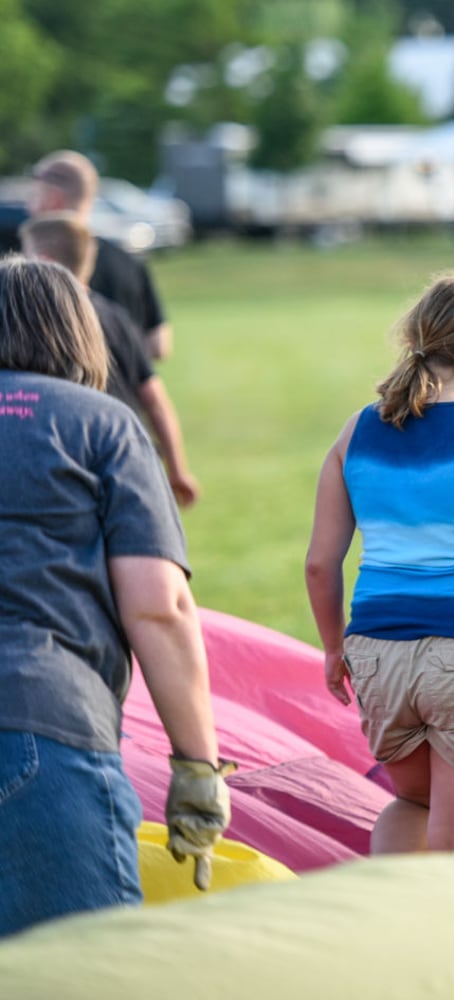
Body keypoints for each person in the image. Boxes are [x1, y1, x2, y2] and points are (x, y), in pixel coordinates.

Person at [0, 256, 228, 935]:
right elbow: (159, 605)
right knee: (85, 970)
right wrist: (197, 768)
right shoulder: (102, 424)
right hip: (41, 723)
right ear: (80, 334)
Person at [305, 273, 454, 854]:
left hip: (377, 653)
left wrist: (335, 648)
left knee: (414, 803)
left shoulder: (357, 431)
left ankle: (387, 919)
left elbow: (320, 563)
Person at [20, 212, 201, 507]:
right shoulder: (116, 317)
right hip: (131, 460)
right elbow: (154, 398)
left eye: (26, 256)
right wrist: (178, 470)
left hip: (78, 466)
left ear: (46, 261)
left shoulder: (36, 323)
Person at [28, 151, 174, 360]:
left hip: (69, 390)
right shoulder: (130, 262)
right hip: (125, 391)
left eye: (34, 197)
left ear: (53, 199)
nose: (29, 207)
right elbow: (159, 345)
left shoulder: (36, 267)